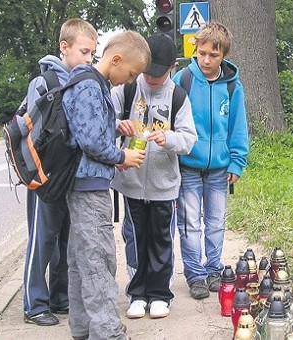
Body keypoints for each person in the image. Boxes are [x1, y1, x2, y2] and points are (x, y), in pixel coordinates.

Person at [62, 30, 150, 340]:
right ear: (115, 59)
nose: (129, 81)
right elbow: (91, 143)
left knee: (81, 261)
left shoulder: (87, 82)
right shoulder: (89, 85)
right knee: (99, 262)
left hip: (81, 183)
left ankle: (84, 328)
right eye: (130, 73)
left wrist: (115, 125)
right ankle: (109, 333)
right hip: (89, 186)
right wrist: (122, 156)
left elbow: (86, 126)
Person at [111, 33, 198, 319]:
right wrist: (117, 127)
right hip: (131, 184)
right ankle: (137, 293)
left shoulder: (178, 97)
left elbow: (189, 139)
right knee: (135, 238)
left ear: (172, 67)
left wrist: (168, 138)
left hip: (164, 185)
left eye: (158, 74)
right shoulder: (124, 90)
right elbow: (102, 127)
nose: (151, 78)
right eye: (147, 71)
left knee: (162, 239)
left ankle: (161, 294)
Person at [18, 18, 97, 327]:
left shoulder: (81, 80)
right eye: (84, 51)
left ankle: (59, 297)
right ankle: (34, 303)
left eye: (92, 53)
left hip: (68, 176)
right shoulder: (46, 81)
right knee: (42, 239)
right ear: (65, 47)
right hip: (45, 176)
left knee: (65, 239)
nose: (89, 59)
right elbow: (37, 134)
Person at [172, 21, 250, 300]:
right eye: (201, 53)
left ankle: (214, 269)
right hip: (189, 166)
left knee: (216, 222)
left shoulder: (232, 86)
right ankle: (195, 275)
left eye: (213, 55)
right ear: (195, 50)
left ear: (224, 56)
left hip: (219, 168)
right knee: (190, 223)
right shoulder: (183, 80)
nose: (206, 59)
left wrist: (237, 162)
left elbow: (238, 126)